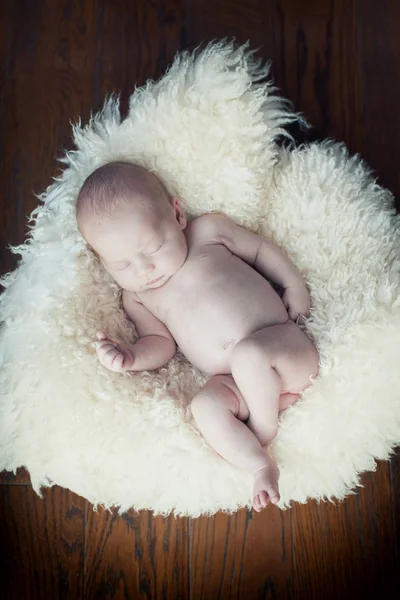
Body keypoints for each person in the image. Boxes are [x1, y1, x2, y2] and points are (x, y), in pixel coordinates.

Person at [76, 161, 319, 512]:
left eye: (151, 250)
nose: (144, 270)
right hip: (235, 385)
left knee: (249, 356)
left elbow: (261, 250)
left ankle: (263, 429)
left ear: (176, 215)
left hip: (283, 349)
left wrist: (293, 285)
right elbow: (159, 343)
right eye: (123, 266)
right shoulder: (139, 297)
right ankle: (259, 465)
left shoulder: (208, 232)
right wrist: (130, 357)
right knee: (204, 406)